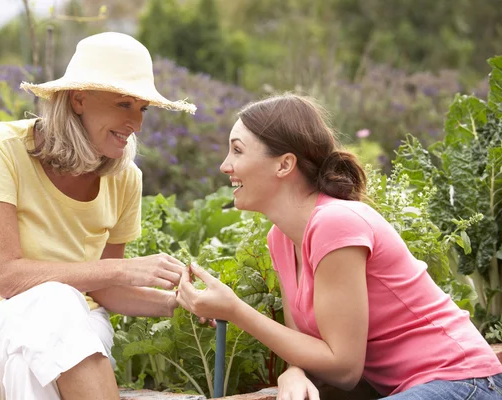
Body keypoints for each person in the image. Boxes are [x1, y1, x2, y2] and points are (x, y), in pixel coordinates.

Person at [176, 94, 502, 400]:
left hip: (464, 381)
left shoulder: (335, 223)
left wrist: (234, 311)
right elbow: (311, 344)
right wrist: (294, 371)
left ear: (284, 164)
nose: (224, 165)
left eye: (237, 150)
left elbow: (344, 369)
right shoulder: (281, 239)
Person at [0, 32, 196, 400]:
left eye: (143, 109)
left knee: (29, 366)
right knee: (55, 302)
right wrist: (123, 269)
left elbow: (106, 291)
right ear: (78, 99)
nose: (136, 124)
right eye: (124, 104)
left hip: (77, 329)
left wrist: (178, 302)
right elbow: (9, 279)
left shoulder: (126, 178)